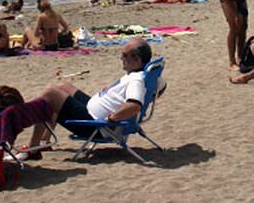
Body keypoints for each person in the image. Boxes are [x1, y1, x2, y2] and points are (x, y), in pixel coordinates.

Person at [21, 38, 157, 159]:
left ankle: (33, 148)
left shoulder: (136, 81)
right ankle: (44, 142)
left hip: (97, 126)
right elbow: (161, 86)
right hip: (92, 112)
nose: (121, 58)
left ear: (137, 60)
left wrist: (111, 119)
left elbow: (134, 106)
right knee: (63, 86)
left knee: (50, 93)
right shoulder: (146, 73)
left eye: (124, 55)